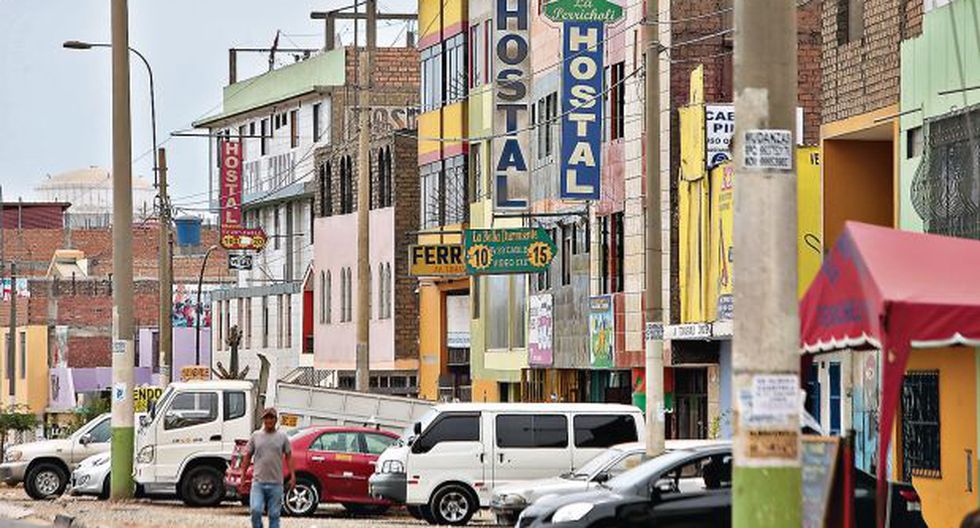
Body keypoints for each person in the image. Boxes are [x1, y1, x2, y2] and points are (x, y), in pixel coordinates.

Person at [241, 407, 296, 528]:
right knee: (255, 510)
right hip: (258, 483)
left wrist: (292, 475)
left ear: (276, 420)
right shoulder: (256, 436)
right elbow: (247, 455)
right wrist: (243, 475)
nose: (269, 420)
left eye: (271, 418)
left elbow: (289, 456)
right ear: (263, 420)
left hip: (276, 483)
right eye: (266, 418)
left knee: (274, 514)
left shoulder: (282, 437)